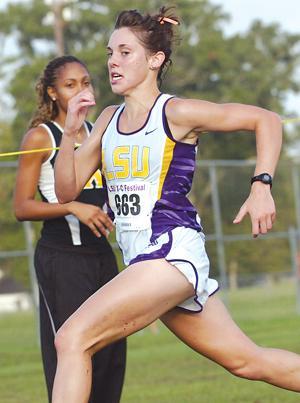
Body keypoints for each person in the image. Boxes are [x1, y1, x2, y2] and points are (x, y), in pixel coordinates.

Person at [52, 7, 300, 402]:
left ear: (155, 60)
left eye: (125, 52)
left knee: (72, 337)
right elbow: (66, 191)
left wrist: (261, 185)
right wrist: (69, 134)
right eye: (109, 53)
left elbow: (266, 119)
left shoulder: (175, 112)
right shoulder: (107, 120)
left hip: (171, 252)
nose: (113, 61)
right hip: (144, 262)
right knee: (247, 362)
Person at [13, 55, 126, 403]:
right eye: (70, 85)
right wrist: (71, 205)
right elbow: (21, 206)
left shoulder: (99, 133)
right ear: (52, 93)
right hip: (62, 260)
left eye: (86, 82)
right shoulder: (40, 136)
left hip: (101, 256)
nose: (81, 90)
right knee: (75, 351)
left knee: (111, 352)